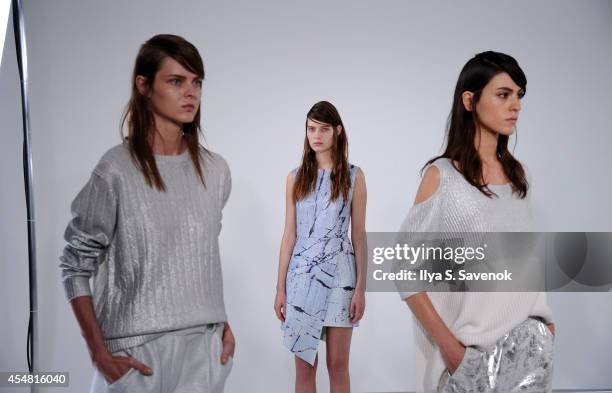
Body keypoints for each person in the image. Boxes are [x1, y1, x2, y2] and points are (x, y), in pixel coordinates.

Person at [59, 34, 234, 393]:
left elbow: (197, 255)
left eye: (196, 82)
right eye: (176, 81)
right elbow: (75, 265)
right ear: (144, 86)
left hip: (204, 348)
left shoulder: (216, 172)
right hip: (135, 351)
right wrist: (97, 352)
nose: (191, 93)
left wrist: (220, 320)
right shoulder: (115, 170)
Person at [398, 51, 555, 393]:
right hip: (468, 357)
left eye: (518, 96)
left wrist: (546, 326)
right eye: (503, 94)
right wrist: (451, 350)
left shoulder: (518, 177)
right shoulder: (442, 177)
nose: (515, 106)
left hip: (530, 349)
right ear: (470, 100)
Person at [274, 101, 367, 393]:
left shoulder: (354, 176)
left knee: (338, 366)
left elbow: (359, 236)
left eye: (323, 129)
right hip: (301, 278)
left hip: (341, 277)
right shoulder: (295, 177)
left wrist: (361, 288)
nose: (316, 135)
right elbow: (289, 234)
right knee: (304, 366)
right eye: (311, 128)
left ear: (337, 131)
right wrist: (280, 288)